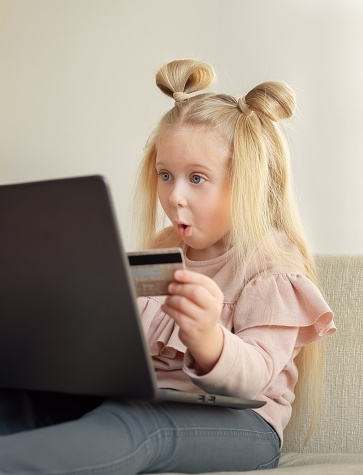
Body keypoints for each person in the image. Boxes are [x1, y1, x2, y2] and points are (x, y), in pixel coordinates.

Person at [0, 59, 335, 473]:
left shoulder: (273, 265)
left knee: (136, 424)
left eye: (196, 178)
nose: (174, 196)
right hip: (152, 402)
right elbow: (124, 353)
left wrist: (208, 338)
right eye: (165, 174)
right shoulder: (163, 249)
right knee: (20, 397)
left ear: (248, 182)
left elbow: (255, 377)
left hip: (246, 425)